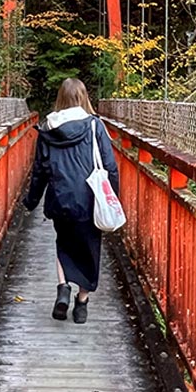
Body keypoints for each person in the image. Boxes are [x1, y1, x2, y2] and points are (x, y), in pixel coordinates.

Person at [23, 77, 120, 324]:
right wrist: (113, 198)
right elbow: (109, 166)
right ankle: (81, 304)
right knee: (89, 247)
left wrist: (32, 200)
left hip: (60, 198)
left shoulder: (48, 128)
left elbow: (40, 170)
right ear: (83, 97)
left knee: (63, 243)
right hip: (89, 199)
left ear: (60, 99)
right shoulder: (95, 127)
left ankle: (63, 287)